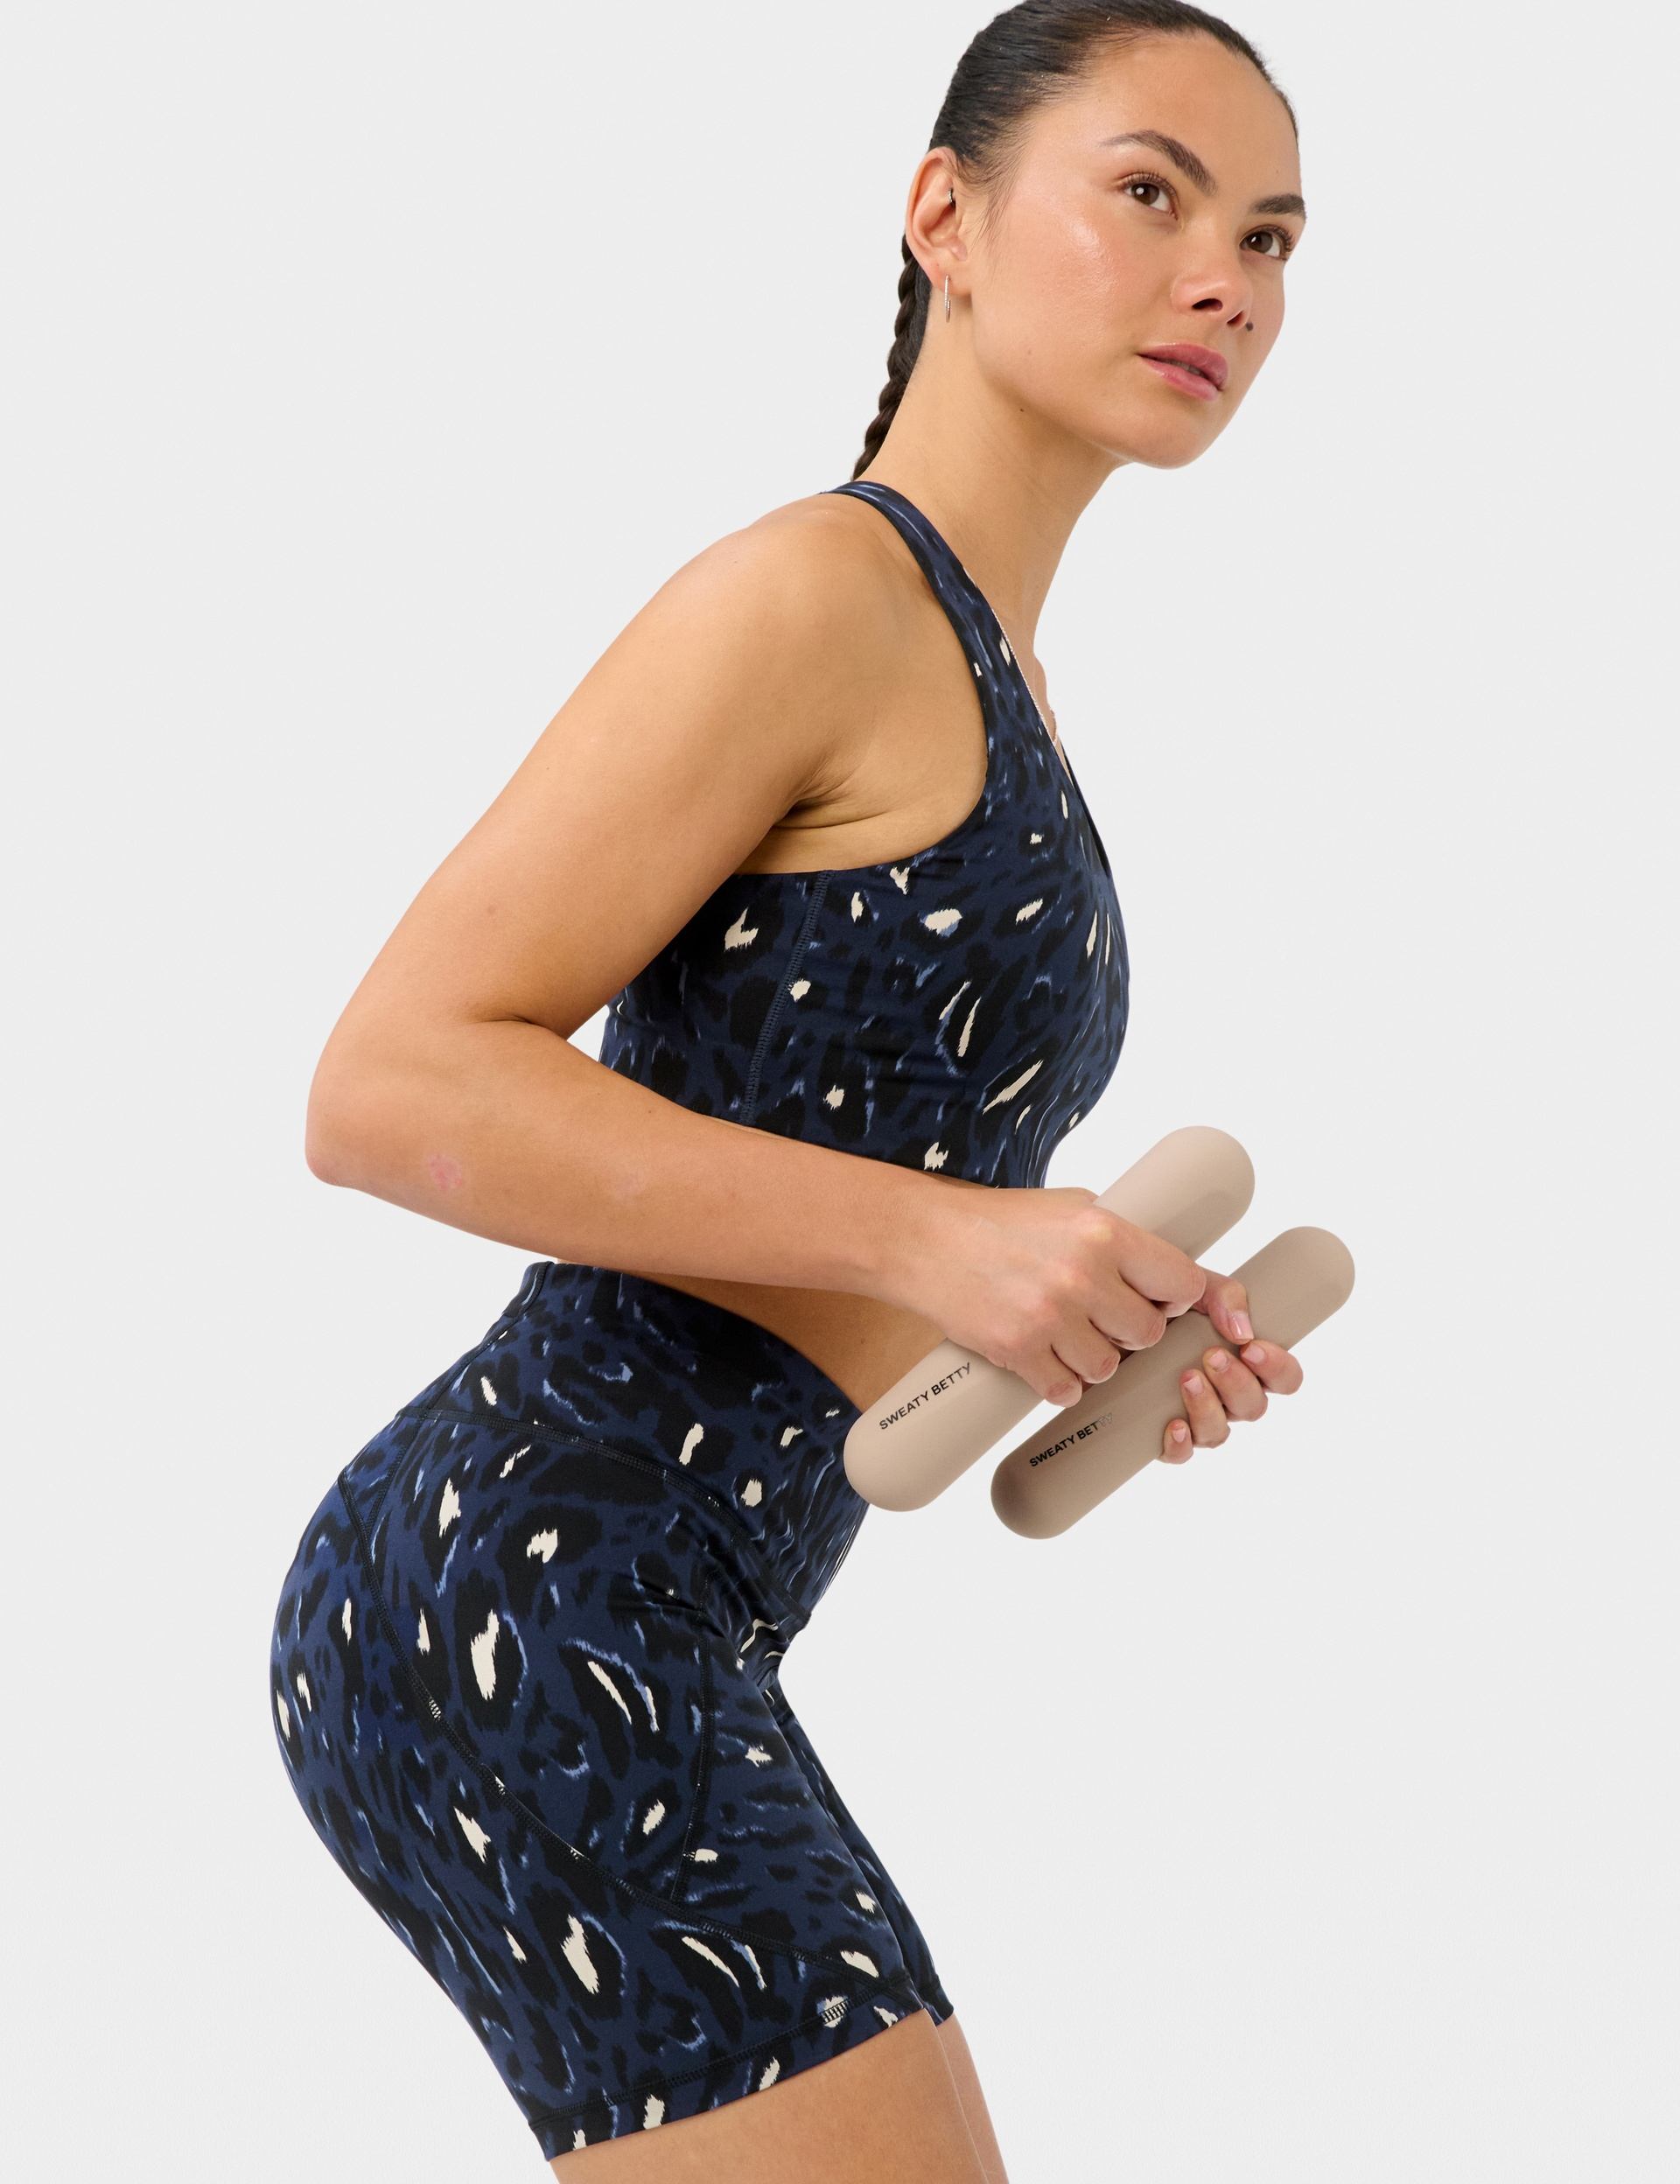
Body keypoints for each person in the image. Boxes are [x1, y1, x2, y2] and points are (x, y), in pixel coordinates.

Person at [267, 4, 1308, 2174]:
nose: (1225, 278)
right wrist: (957, 1240)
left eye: (1273, 239)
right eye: (1151, 194)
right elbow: (384, 1082)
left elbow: (816, 1236)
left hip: (655, 1604)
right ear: (945, 216)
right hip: (529, 1589)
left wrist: (1076, 1329)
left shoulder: (993, 669)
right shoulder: (822, 594)